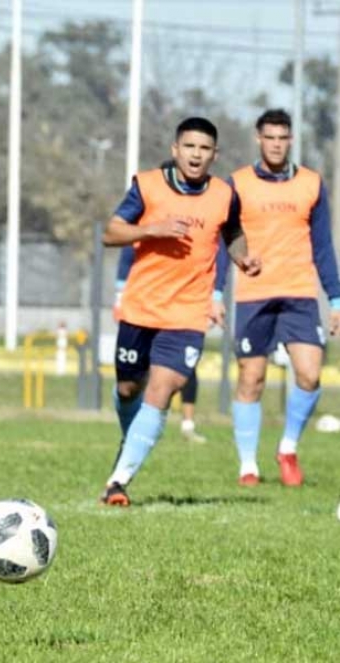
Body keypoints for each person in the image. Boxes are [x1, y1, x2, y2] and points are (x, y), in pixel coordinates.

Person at [100, 117, 261, 507]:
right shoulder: (147, 185)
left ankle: (117, 482)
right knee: (128, 389)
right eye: (189, 147)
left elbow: (232, 233)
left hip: (188, 313)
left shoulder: (224, 194)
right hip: (141, 307)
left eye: (204, 149)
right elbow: (111, 233)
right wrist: (152, 229)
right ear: (176, 150)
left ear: (214, 154)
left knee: (163, 388)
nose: (196, 155)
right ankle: (132, 436)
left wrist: (242, 259)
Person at [215, 108, 340, 488]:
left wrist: (335, 300)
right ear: (258, 138)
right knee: (251, 378)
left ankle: (287, 447)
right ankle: (248, 466)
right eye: (269, 137)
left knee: (309, 374)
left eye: (282, 138)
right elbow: (224, 242)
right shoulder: (236, 184)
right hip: (254, 295)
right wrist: (216, 291)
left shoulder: (311, 184)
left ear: (291, 140)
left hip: (300, 293)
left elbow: (323, 246)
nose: (276, 144)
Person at [115, 243, 206, 443]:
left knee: (182, 371)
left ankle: (186, 425)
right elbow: (128, 252)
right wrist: (119, 297)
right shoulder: (149, 219)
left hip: (181, 306)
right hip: (145, 307)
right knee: (134, 380)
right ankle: (141, 422)